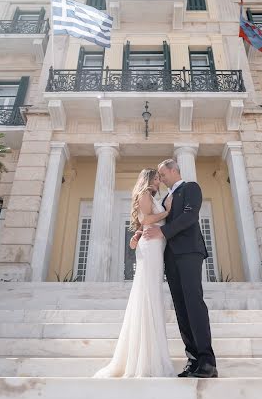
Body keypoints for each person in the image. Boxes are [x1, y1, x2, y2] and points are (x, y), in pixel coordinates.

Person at [93, 168, 175, 378]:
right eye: (156, 178)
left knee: (151, 294)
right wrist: (166, 211)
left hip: (155, 246)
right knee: (148, 294)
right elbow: (147, 220)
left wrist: (138, 233)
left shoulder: (150, 196)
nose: (159, 181)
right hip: (151, 248)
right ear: (148, 179)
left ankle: (150, 352)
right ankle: (147, 358)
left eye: (159, 178)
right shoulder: (145, 194)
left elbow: (144, 223)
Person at [143, 159, 218, 378]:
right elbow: (157, 223)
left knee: (194, 304)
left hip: (189, 253)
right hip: (170, 257)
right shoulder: (165, 199)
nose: (161, 178)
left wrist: (162, 233)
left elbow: (189, 216)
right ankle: (193, 360)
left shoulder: (191, 188)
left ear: (174, 170)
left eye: (162, 173)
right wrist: (143, 233)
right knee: (181, 309)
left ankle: (207, 362)